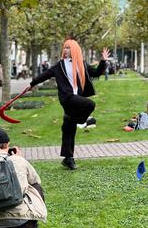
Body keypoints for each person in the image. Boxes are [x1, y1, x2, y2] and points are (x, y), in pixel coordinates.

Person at [28, 39, 110, 170]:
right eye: (64, 48)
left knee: (68, 129)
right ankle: (82, 121)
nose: (65, 50)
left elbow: (96, 73)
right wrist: (32, 84)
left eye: (68, 48)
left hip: (77, 98)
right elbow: (45, 75)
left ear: (75, 50)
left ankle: (68, 158)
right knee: (90, 105)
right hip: (67, 98)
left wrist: (103, 61)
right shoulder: (59, 66)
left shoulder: (81, 64)